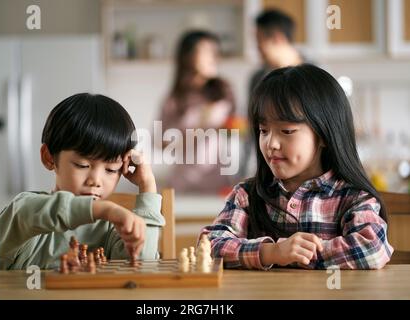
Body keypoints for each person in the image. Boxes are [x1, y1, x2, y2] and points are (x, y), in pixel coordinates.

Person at [200, 64, 394, 270]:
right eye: (264, 130)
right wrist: (272, 252)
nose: (271, 144)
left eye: (287, 131)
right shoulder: (247, 195)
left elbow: (373, 248)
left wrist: (299, 254)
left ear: (323, 135)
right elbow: (209, 245)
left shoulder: (352, 198)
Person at [0, 93, 165, 270]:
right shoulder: (26, 212)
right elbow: (27, 213)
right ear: (49, 157)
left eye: (111, 169)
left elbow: (142, 267)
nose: (96, 181)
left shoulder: (109, 229)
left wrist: (147, 186)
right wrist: (105, 209)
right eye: (82, 165)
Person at [159, 30, 237, 195]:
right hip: (183, 182)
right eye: (207, 51)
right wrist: (198, 128)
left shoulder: (224, 92)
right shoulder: (175, 98)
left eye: (215, 52)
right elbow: (161, 143)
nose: (214, 57)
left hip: (219, 183)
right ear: (188, 57)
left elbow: (239, 131)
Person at [239, 9, 305, 179]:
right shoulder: (257, 80)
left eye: (259, 41)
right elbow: (251, 131)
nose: (257, 49)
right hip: (268, 175)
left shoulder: (316, 76)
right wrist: (242, 175)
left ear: (277, 38)